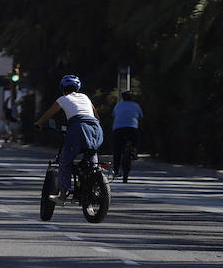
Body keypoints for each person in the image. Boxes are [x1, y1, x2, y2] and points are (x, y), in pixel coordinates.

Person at [32, 74, 104, 204]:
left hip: (78, 128)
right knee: (92, 156)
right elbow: (96, 116)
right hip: (95, 128)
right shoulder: (85, 97)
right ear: (78, 87)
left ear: (63, 88)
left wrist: (39, 124)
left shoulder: (63, 99)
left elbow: (49, 113)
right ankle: (94, 185)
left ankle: (63, 195)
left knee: (65, 161)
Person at [111, 90, 144, 181]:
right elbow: (141, 116)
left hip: (118, 129)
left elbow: (113, 115)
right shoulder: (136, 105)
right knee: (137, 139)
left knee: (117, 149)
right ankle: (134, 150)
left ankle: (116, 169)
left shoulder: (118, 105)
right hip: (132, 128)